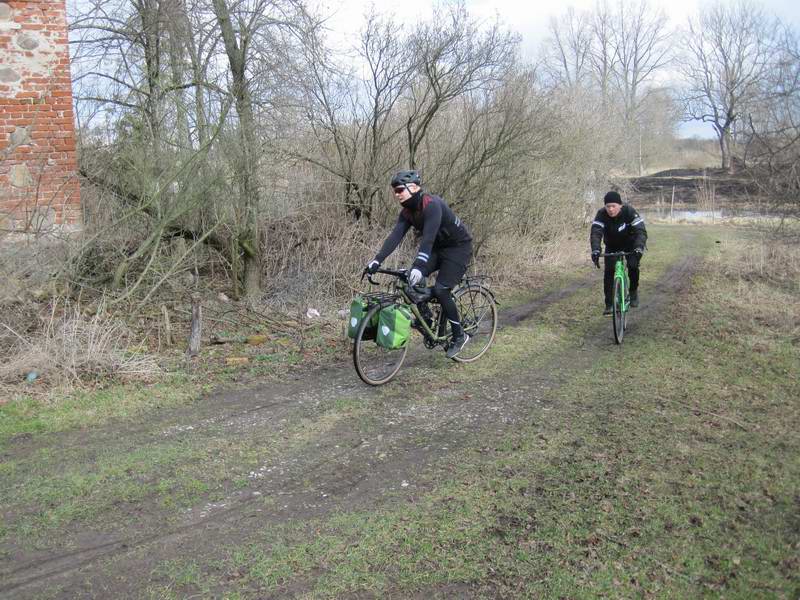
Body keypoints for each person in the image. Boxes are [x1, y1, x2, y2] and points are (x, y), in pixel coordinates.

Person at [364, 170, 473, 359]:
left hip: (458, 248)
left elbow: (428, 239)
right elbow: (395, 237)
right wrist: (376, 260)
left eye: (399, 189)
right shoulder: (407, 212)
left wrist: (419, 266)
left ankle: (458, 336)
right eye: (394, 191)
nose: (396, 194)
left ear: (414, 188)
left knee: (441, 290)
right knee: (409, 281)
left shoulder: (432, 205)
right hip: (439, 249)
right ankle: (428, 320)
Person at [590, 191, 648, 315]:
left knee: (633, 266)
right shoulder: (601, 214)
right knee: (609, 273)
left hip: (631, 245)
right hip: (612, 246)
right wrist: (595, 249)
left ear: (620, 205)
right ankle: (609, 304)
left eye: (613, 206)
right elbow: (596, 233)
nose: (610, 209)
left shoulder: (629, 212)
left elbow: (641, 232)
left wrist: (638, 248)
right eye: (608, 206)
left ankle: (633, 292)